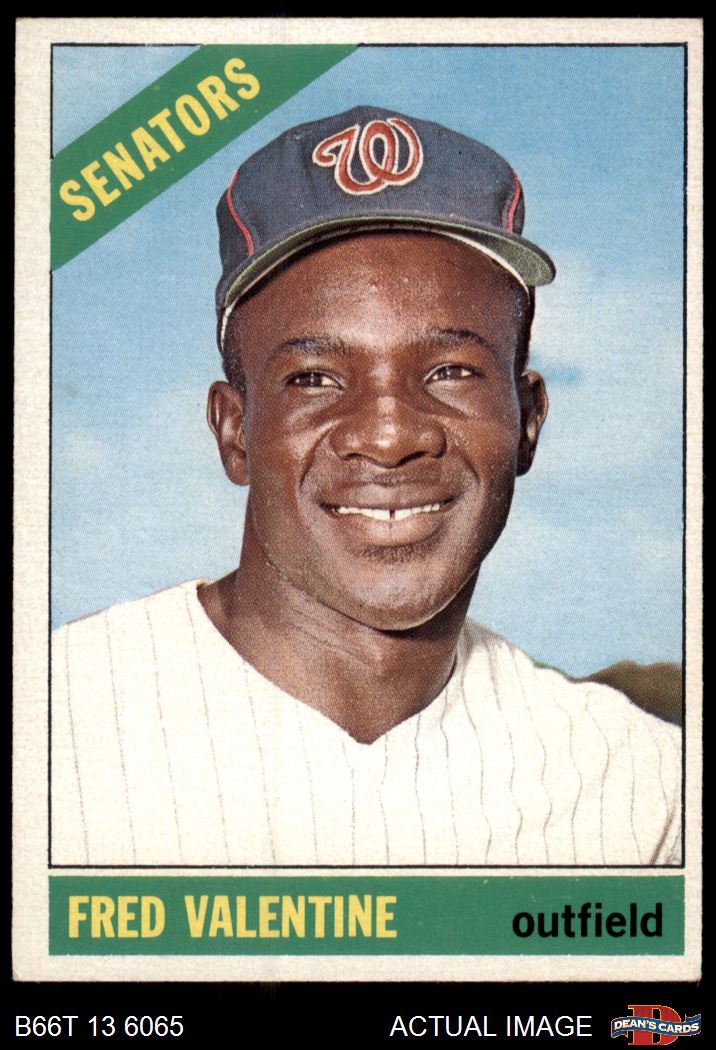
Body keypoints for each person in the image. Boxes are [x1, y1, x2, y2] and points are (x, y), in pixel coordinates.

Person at [51, 106, 681, 867]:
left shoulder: (643, 791)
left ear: (528, 421)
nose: (388, 435)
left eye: (451, 372)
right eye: (314, 378)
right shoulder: (51, 726)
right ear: (233, 431)